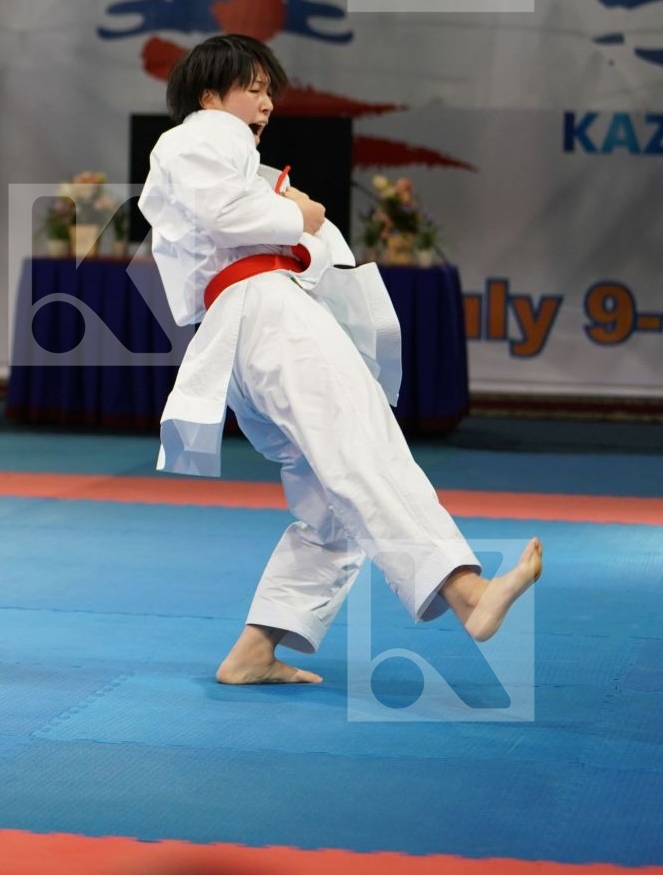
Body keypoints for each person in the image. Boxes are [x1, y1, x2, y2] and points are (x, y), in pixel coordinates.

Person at [136, 35, 543, 686]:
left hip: (255, 321)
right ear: (210, 91)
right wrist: (298, 215)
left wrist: (301, 223)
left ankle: (256, 649)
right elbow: (240, 215)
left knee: (330, 500)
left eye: (270, 91)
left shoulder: (238, 160)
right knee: (362, 447)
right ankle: (467, 592)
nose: (265, 103)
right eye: (253, 87)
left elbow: (316, 247)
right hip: (267, 316)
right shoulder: (202, 136)